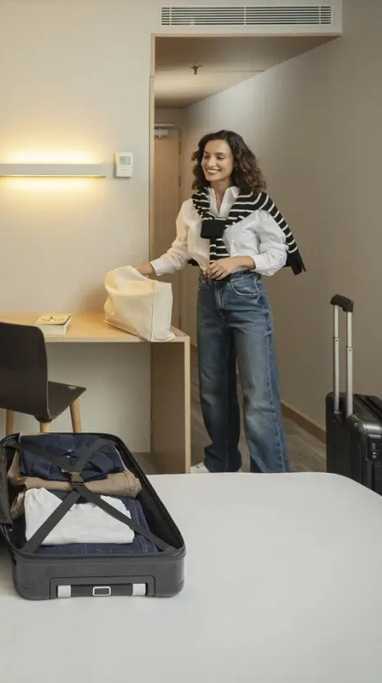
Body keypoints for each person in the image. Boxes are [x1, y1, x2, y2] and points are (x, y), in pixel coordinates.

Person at [134, 130, 305, 473]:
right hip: (208, 297)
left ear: (235, 161)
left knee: (258, 391)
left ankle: (271, 474)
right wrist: (137, 271)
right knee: (212, 388)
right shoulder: (192, 206)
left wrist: (238, 261)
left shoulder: (257, 203)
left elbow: (278, 252)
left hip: (246, 296)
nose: (210, 163)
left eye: (220, 157)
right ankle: (221, 463)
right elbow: (180, 253)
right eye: (206, 156)